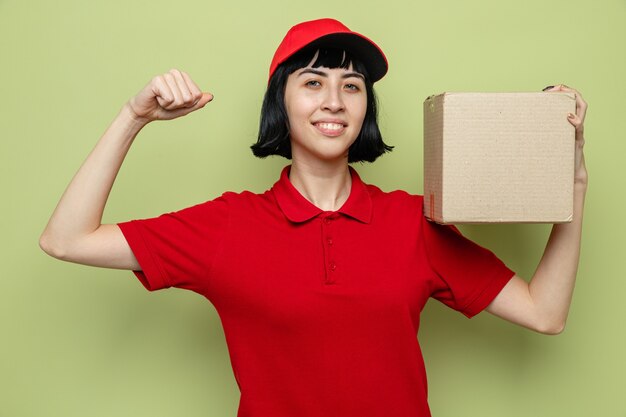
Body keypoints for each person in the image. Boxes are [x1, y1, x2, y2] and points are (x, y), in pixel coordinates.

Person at [39, 18, 588, 417]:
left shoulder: (414, 222)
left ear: (365, 109)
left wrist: (574, 181)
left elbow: (545, 313)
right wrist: (134, 117)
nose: (334, 100)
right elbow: (66, 239)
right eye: (313, 81)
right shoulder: (227, 226)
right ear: (282, 101)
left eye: (352, 86)